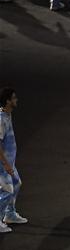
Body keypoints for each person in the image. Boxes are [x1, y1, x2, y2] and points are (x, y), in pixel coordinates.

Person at [0, 88, 25, 231]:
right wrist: (5, 164)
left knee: (16, 184)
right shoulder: (1, 119)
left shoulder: (7, 114)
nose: (16, 100)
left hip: (9, 163)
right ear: (8, 101)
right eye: (14, 98)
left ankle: (9, 214)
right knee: (7, 191)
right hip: (3, 164)